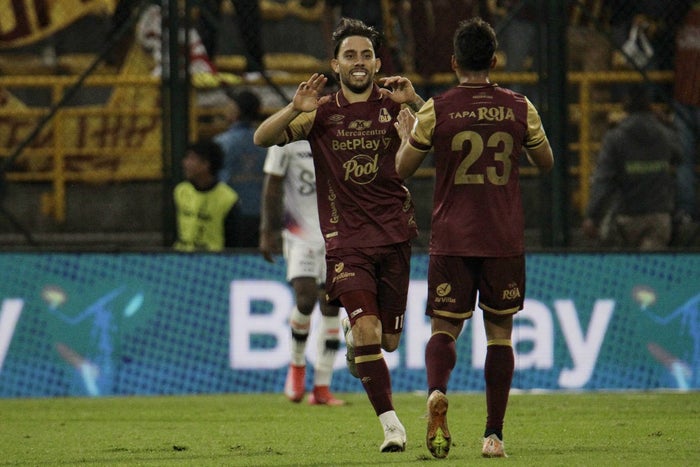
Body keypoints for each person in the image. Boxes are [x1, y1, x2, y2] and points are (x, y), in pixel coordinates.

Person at [254, 17, 424, 453]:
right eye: (350, 55)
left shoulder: (394, 106)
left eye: (366, 54)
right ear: (335, 64)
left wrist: (416, 102)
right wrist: (294, 108)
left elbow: (442, 137)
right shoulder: (321, 113)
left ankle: (350, 337)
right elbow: (262, 138)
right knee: (368, 328)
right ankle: (392, 427)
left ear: (378, 62)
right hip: (345, 240)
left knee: (388, 341)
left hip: (394, 235)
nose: (359, 61)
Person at [395, 17, 554, 459]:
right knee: (500, 334)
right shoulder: (520, 106)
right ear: (495, 61)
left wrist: (406, 134)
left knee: (444, 328)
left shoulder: (437, 109)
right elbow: (546, 162)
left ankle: (436, 391)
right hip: (502, 237)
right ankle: (493, 436)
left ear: (453, 62)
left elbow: (402, 169)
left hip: (452, 237)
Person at [259, 140, 345, 406]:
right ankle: (297, 365)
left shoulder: (337, 132)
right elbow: (272, 184)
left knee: (332, 304)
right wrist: (267, 230)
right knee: (305, 299)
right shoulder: (285, 139)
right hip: (299, 234)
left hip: (336, 233)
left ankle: (322, 387)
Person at [582, 85, 681, 250]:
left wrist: (592, 216)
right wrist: (668, 123)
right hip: (659, 214)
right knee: (652, 262)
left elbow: (603, 180)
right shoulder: (664, 134)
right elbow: (680, 155)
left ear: (625, 104)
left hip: (626, 216)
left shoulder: (615, 138)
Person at [214, 89, 267, 248]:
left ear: (236, 110)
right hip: (260, 213)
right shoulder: (267, 142)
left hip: (230, 213)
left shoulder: (221, 143)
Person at [173, 139, 240, 251]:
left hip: (214, 258)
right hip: (181, 257)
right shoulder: (181, 191)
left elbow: (233, 240)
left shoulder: (228, 198)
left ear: (206, 164)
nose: (185, 163)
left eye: (191, 158)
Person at [672, 1, 700, 224]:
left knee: (684, 160)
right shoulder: (680, 16)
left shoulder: (680, 16)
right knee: (683, 159)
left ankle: (687, 211)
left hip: (683, 97)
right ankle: (687, 210)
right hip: (684, 98)